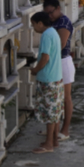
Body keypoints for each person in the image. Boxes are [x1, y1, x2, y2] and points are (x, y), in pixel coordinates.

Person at [41, 0, 74, 139]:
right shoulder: (51, 22)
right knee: (54, 98)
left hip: (62, 62)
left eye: (51, 12)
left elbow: (59, 45)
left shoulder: (64, 22)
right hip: (53, 62)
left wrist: (44, 58)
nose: (49, 16)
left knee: (66, 98)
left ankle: (64, 130)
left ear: (58, 9)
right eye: (46, 13)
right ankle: (53, 130)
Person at [29, 11, 63, 154]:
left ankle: (48, 144)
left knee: (50, 113)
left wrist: (35, 70)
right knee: (55, 111)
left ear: (40, 23)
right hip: (56, 76)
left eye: (33, 25)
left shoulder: (46, 35)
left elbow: (45, 57)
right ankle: (54, 140)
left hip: (48, 78)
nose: (33, 28)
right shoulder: (53, 32)